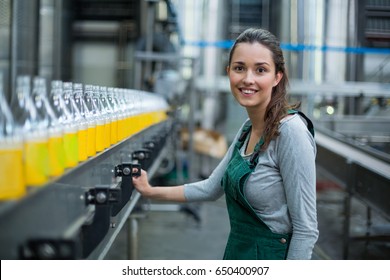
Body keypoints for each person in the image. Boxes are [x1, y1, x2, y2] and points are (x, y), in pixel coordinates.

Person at [132, 28, 319, 260]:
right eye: (240, 68)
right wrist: (150, 191)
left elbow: (306, 230)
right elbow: (211, 188)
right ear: (228, 72)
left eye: (260, 70)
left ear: (277, 76)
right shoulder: (247, 129)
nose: (248, 79)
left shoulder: (291, 132)